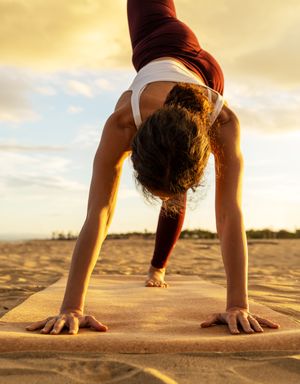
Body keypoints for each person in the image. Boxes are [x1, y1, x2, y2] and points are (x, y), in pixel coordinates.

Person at [26, 0, 280, 336]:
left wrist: (237, 303)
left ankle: (157, 266)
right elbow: (99, 214)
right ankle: (157, 267)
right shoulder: (121, 123)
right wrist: (72, 306)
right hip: (187, 59)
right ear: (134, 149)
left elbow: (229, 213)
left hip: (185, 61)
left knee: (174, 166)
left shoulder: (222, 120)